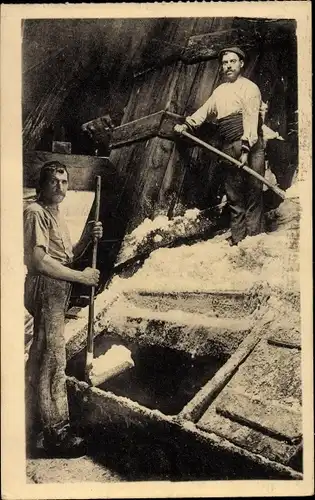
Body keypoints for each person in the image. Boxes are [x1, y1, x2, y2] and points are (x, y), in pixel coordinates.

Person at [24, 161, 103, 457]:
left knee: (43, 357)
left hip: (56, 290)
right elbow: (40, 262)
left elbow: (65, 257)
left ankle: (33, 428)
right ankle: (56, 434)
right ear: (40, 186)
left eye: (64, 182)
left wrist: (88, 238)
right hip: (45, 288)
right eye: (53, 182)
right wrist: (83, 277)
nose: (60, 187)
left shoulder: (54, 212)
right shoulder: (35, 213)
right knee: (53, 359)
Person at [174, 46, 265, 245]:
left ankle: (255, 242)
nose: (228, 66)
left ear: (241, 64)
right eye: (225, 63)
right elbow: (204, 111)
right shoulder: (220, 91)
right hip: (227, 148)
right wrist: (187, 125)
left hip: (250, 144)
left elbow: (251, 120)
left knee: (253, 193)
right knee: (234, 197)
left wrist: (245, 150)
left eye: (233, 61)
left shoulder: (250, 88)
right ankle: (240, 241)